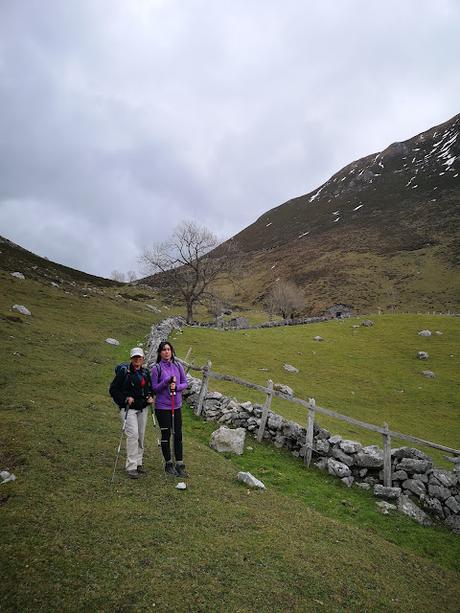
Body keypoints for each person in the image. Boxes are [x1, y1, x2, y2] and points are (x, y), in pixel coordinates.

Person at [109, 347, 154, 479]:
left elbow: (149, 388)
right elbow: (113, 390)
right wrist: (125, 399)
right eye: (135, 357)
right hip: (128, 409)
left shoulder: (145, 372)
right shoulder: (124, 372)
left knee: (141, 434)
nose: (137, 359)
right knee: (133, 434)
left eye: (139, 357)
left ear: (143, 359)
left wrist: (150, 396)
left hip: (142, 408)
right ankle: (131, 466)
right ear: (131, 358)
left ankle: (139, 463)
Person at [151, 341, 189, 477]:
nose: (166, 352)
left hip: (176, 405)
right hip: (162, 407)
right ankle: (168, 463)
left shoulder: (178, 366)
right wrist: (165, 382)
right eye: (164, 350)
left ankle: (180, 463)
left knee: (178, 434)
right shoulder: (157, 369)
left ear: (171, 352)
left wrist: (177, 387)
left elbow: (185, 383)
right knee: (166, 435)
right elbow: (154, 388)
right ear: (160, 353)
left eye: (168, 349)